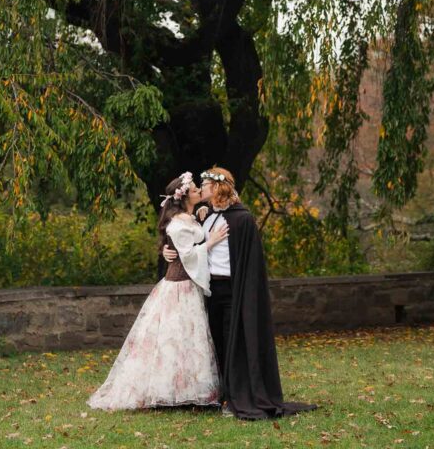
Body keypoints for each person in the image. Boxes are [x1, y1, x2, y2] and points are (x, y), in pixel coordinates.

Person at [162, 165, 318, 420]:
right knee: (216, 345)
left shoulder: (242, 219)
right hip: (210, 291)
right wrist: (168, 252)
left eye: (206, 185)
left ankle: (235, 398)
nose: (202, 189)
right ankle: (219, 394)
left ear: (218, 187)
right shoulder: (207, 215)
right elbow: (187, 241)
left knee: (233, 343)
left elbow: (250, 262)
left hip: (234, 291)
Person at [87, 171, 229, 411]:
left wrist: (202, 217)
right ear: (184, 196)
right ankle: (168, 390)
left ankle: (188, 389)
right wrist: (212, 241)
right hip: (178, 288)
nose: (198, 191)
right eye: (195, 190)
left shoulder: (192, 217)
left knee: (188, 340)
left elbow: (189, 241)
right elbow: (188, 255)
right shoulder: (178, 224)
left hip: (188, 287)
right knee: (173, 339)